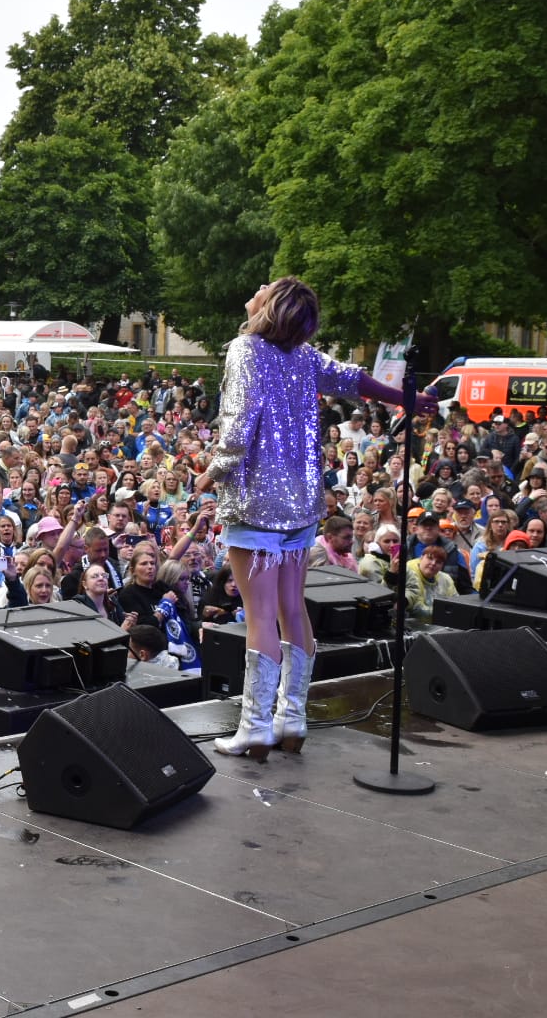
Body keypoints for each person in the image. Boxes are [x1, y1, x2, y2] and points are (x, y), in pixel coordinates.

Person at [194, 278, 435, 759]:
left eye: (266, 286)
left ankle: (256, 726)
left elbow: (238, 427)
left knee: (261, 615)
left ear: (269, 306)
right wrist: (404, 400)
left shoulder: (246, 349)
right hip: (303, 506)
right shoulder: (305, 357)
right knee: (293, 608)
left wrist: (210, 473)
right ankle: (293, 718)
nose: (257, 286)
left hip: (258, 504)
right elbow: (353, 379)